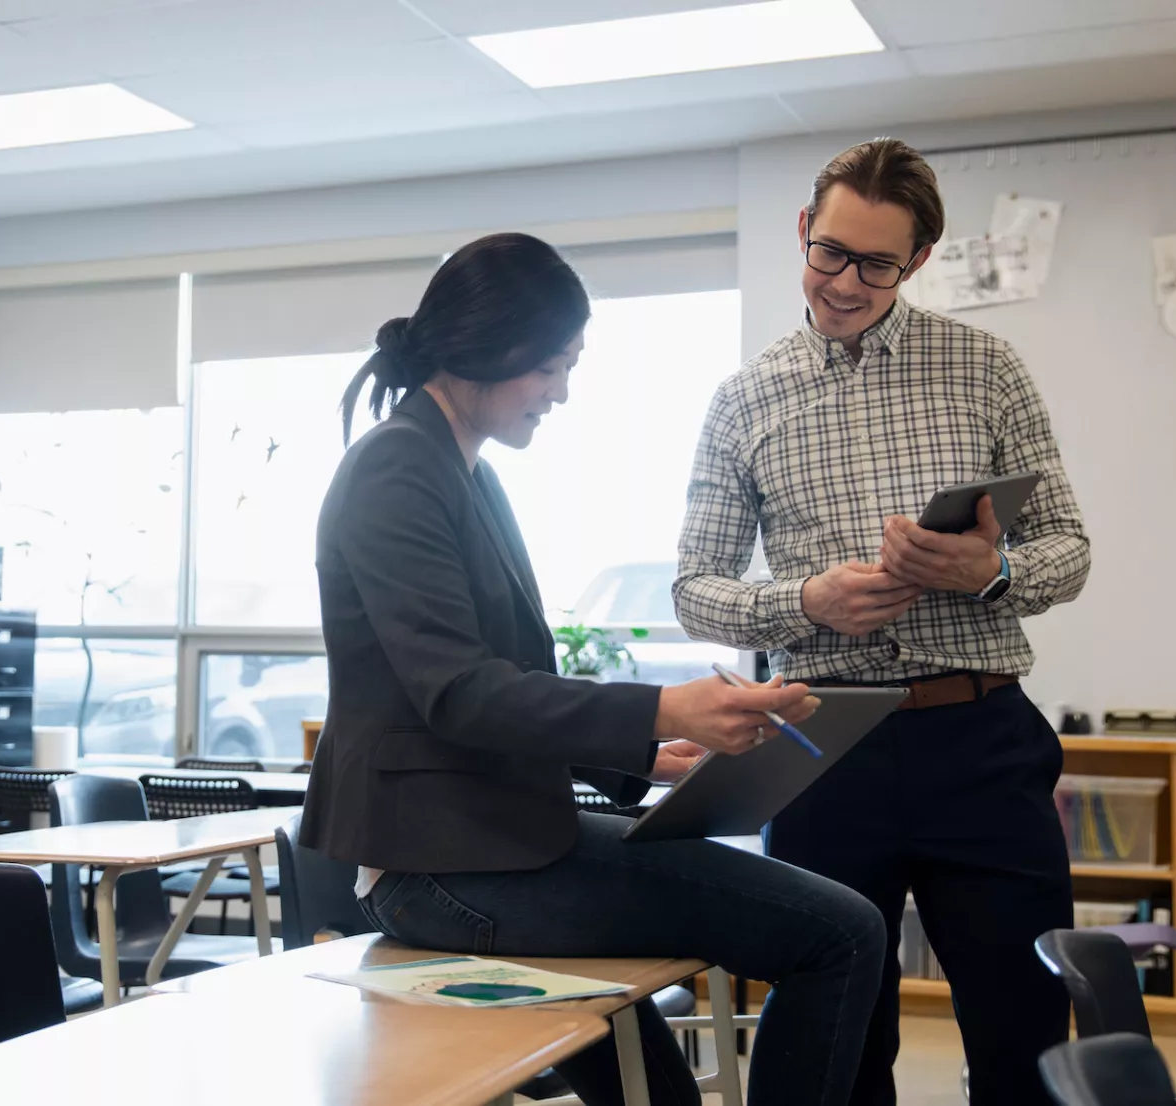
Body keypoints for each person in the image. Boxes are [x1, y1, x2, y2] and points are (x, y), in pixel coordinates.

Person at [299, 232, 885, 1106]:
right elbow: (459, 692)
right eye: (551, 368)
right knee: (843, 932)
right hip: (441, 869)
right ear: (491, 347)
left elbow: (502, 686)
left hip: (489, 842)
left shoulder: (464, 473)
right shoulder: (397, 471)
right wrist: (663, 712)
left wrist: (644, 758)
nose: (560, 394)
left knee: (665, 1090)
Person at [673, 138, 1092, 1106]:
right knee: (839, 1044)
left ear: (919, 261)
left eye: (875, 264)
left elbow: (1070, 548)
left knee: (1026, 1030)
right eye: (829, 252)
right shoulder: (744, 400)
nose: (844, 282)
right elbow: (696, 585)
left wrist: (990, 570)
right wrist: (803, 600)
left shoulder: (986, 367)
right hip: (824, 747)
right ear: (803, 231)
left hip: (980, 739)